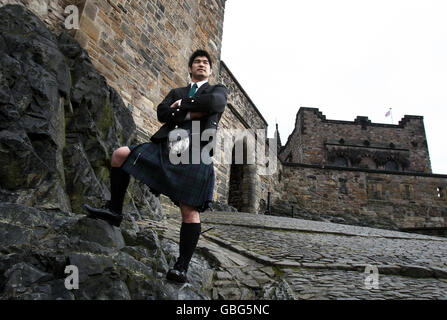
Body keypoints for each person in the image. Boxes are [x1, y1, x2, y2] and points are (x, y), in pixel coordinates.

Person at [83, 49, 227, 283]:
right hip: (165, 145)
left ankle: (181, 266)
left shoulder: (217, 90)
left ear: (210, 70)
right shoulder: (176, 91)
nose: (201, 65)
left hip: (196, 150)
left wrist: (182, 107)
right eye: (196, 62)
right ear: (190, 69)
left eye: (205, 63)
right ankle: (114, 210)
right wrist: (193, 112)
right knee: (120, 155)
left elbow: (215, 103)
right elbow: (162, 113)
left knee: (189, 210)